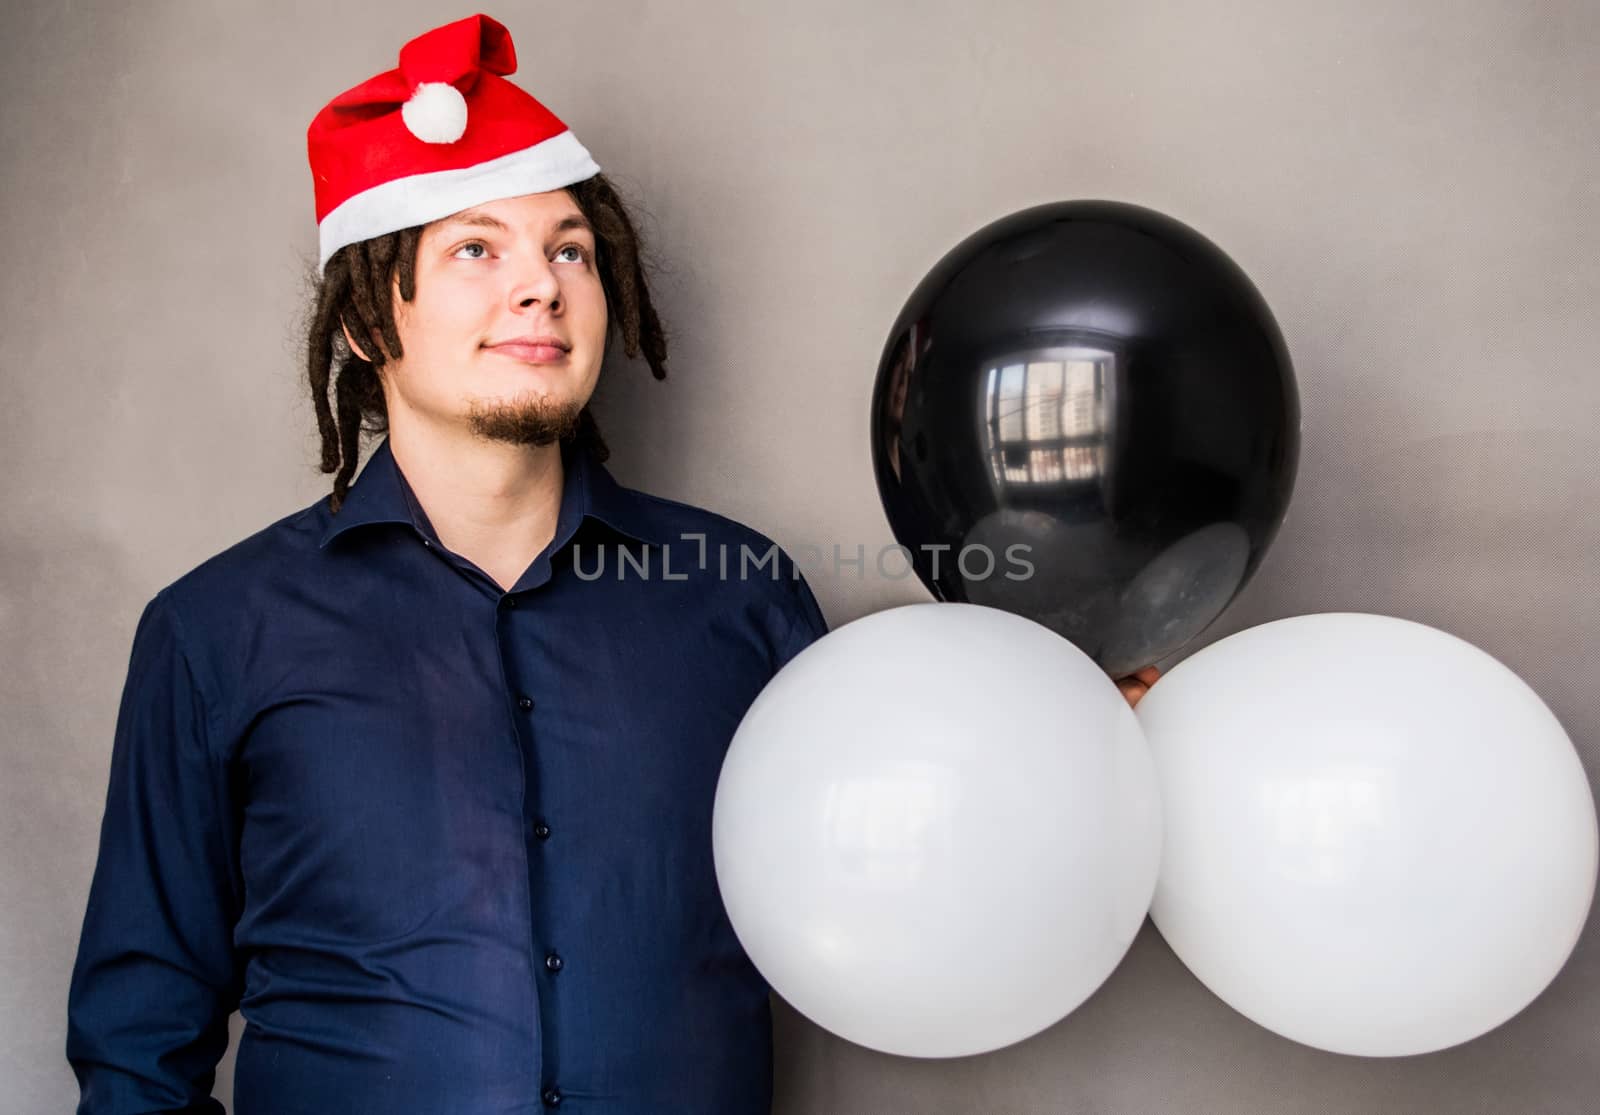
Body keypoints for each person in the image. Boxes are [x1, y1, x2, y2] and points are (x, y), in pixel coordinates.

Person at [66, 14, 1156, 1115]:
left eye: (570, 249)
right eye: (475, 248)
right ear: (364, 320)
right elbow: (137, 1048)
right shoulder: (215, 632)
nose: (540, 285)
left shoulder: (739, 592)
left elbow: (906, 833)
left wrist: (1072, 723)